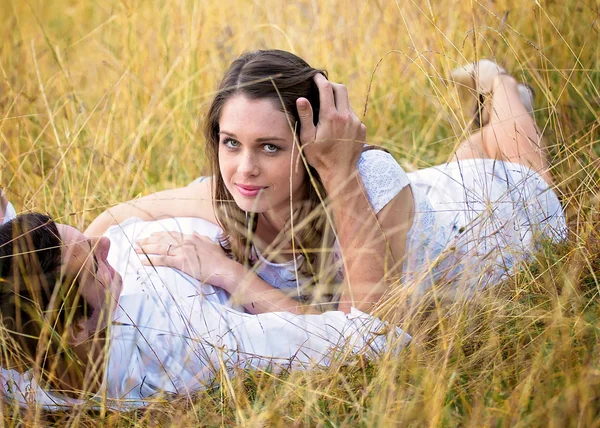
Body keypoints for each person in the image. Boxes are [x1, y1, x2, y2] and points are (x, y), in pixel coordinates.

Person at [85, 50, 567, 313]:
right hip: (427, 200)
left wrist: (232, 274)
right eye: (231, 142)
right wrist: (64, 282)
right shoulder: (227, 195)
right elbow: (115, 217)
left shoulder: (366, 177)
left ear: (313, 142)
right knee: (471, 150)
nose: (244, 169)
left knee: (523, 167)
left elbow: (370, 326)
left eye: (269, 147)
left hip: (494, 219)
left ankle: (497, 81)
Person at [0, 213, 409, 409]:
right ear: (75, 329)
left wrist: (114, 216)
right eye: (92, 263)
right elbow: (369, 336)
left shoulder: (14, 367)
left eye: (85, 236)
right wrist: (229, 274)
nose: (102, 242)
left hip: (209, 199)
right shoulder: (184, 341)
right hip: (298, 230)